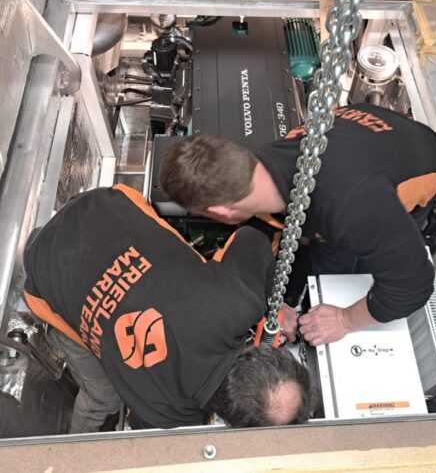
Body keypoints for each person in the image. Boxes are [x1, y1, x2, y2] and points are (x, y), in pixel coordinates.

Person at [23, 184, 311, 432]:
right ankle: (77, 453)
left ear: (266, 352)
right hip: (44, 278)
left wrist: (272, 302)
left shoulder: (237, 300)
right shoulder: (165, 417)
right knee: (104, 399)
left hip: (98, 207)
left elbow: (252, 237)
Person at [159, 103, 436, 346]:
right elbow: (267, 226)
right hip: (371, 137)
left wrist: (343, 320)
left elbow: (412, 288)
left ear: (220, 211)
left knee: (364, 263)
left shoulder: (353, 208)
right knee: (330, 258)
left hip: (417, 162)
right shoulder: (259, 165)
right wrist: (271, 299)